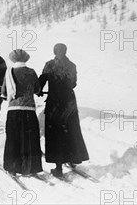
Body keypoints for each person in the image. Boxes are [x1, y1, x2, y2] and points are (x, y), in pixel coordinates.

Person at [39, 43, 89, 177]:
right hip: (69, 102)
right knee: (71, 130)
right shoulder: (72, 65)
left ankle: (58, 167)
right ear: (65, 51)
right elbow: (73, 83)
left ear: (54, 51)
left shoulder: (49, 64)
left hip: (55, 102)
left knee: (55, 133)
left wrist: (38, 90)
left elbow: (41, 82)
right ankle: (73, 158)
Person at [1, 49, 43, 176]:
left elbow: (3, 93)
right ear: (25, 59)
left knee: (13, 139)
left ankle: (13, 168)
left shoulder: (9, 72)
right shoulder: (31, 72)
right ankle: (31, 168)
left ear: (13, 59)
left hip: (14, 111)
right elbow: (37, 89)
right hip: (29, 111)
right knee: (30, 140)